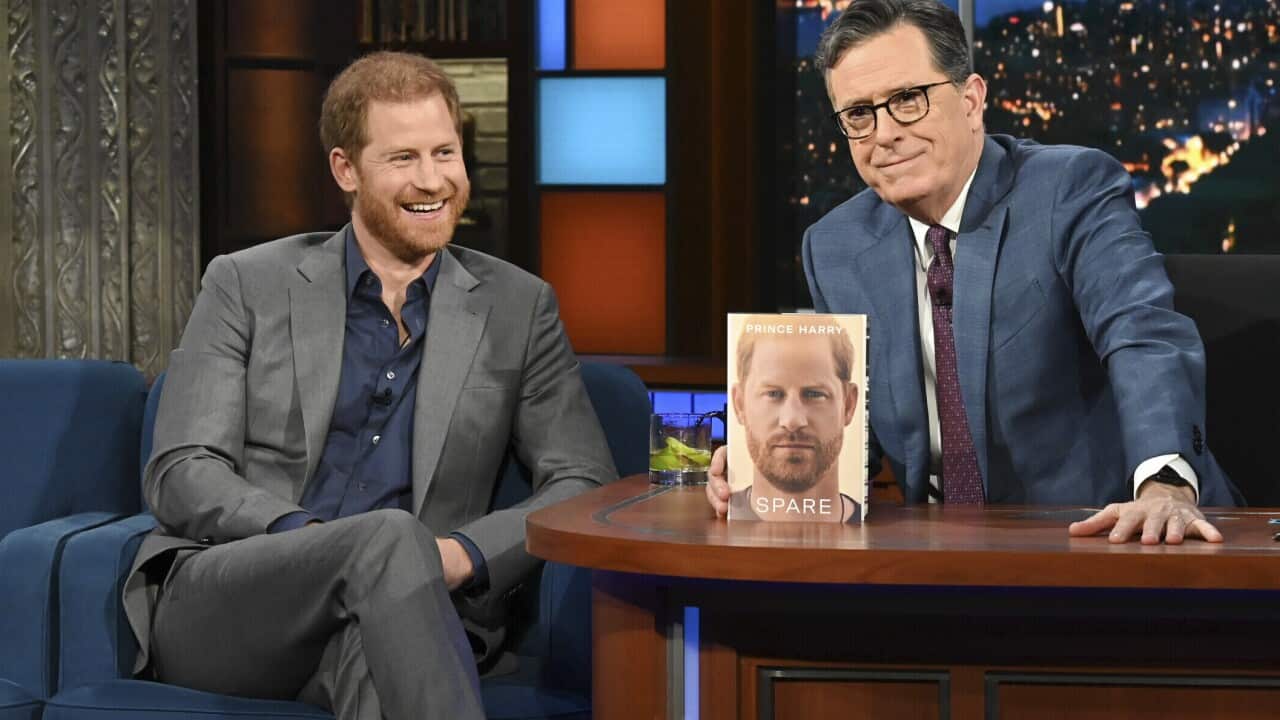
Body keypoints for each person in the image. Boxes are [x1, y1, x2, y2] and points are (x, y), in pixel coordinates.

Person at [121, 52, 617, 720]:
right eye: (403, 158)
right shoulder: (247, 283)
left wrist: (464, 554)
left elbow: (583, 481)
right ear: (345, 170)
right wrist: (307, 538)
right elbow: (181, 469)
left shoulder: (517, 307)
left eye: (445, 152)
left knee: (376, 649)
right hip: (237, 597)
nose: (433, 179)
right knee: (384, 537)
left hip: (413, 608)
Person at [708, 0, 1239, 543]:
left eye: (907, 100)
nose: (884, 133)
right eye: (859, 115)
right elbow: (852, 425)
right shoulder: (835, 246)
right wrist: (771, 468)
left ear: (970, 100)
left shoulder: (1069, 189)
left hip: (1104, 536)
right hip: (941, 558)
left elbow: (1143, 336)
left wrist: (1164, 484)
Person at [728, 315, 862, 523]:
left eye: (814, 394)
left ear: (849, 404)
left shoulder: (879, 529)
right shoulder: (716, 514)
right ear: (739, 404)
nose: (792, 420)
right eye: (773, 394)